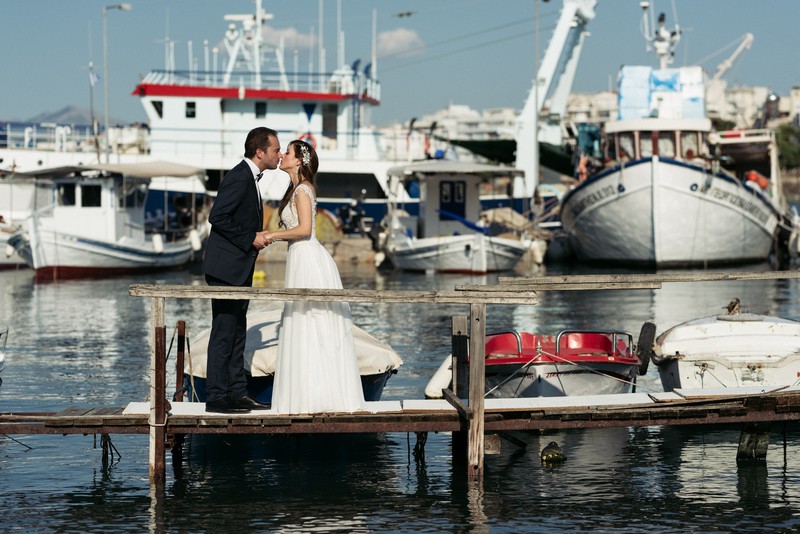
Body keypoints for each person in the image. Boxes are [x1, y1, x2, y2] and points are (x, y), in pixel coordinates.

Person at [266, 140, 365, 414]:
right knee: (304, 322)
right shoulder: (296, 189)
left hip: (308, 258)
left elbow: (305, 229)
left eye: (287, 152)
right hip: (299, 257)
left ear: (298, 161)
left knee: (312, 320)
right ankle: (306, 394)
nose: (283, 155)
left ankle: (317, 396)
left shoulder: (302, 190)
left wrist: (271, 235)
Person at [202, 127, 281, 414]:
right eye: (275, 150)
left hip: (238, 266)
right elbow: (217, 216)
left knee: (237, 330)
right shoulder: (239, 176)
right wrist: (250, 237)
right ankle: (216, 397)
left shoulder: (249, 177)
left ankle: (236, 392)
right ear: (259, 152)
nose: (279, 155)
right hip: (225, 268)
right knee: (224, 331)